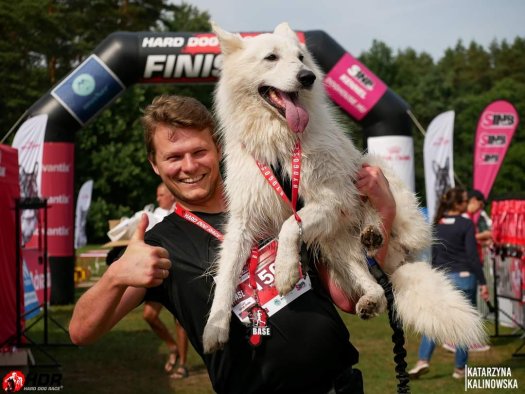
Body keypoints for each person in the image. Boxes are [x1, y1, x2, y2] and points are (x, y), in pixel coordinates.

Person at [69, 95, 397, 394]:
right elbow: (81, 332)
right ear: (155, 164)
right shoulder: (159, 245)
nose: (189, 166)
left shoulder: (279, 200)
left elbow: (347, 298)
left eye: (199, 152)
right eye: (173, 157)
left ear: (219, 148)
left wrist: (384, 208)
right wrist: (115, 277)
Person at [408, 187, 490, 380]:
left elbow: (435, 255)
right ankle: (460, 369)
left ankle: (423, 360)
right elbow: (472, 255)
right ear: (460, 204)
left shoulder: (438, 224)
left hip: (443, 278)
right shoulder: (467, 223)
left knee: (436, 320)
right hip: (465, 277)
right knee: (464, 325)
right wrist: (483, 281)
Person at [143, 182, 189, 379]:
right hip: (159, 273)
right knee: (149, 315)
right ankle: (172, 347)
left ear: (171, 196)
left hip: (179, 273)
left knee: (180, 321)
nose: (158, 198)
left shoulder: (183, 212)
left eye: (161, 194)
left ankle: (183, 364)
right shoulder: (156, 215)